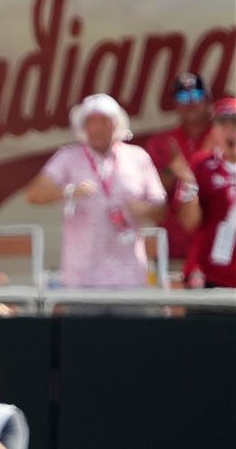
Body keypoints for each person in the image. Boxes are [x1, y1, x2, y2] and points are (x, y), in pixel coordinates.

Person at [25, 93, 166, 290]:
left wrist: (144, 210)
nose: (98, 128)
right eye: (92, 122)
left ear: (115, 125)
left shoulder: (138, 157)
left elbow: (162, 208)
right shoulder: (67, 157)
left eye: (104, 122)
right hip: (82, 278)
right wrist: (68, 192)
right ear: (83, 127)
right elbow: (34, 194)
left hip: (129, 277)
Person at [144, 72, 218, 261]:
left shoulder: (224, 138)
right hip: (174, 248)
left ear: (208, 100)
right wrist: (173, 171)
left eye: (196, 96)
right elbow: (148, 194)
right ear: (175, 104)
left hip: (219, 246)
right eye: (183, 97)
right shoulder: (161, 142)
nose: (190, 102)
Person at [178, 96, 236, 288]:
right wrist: (191, 189)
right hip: (209, 274)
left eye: (235, 124)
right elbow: (189, 223)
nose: (230, 131)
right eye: (223, 125)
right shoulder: (202, 164)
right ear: (214, 130)